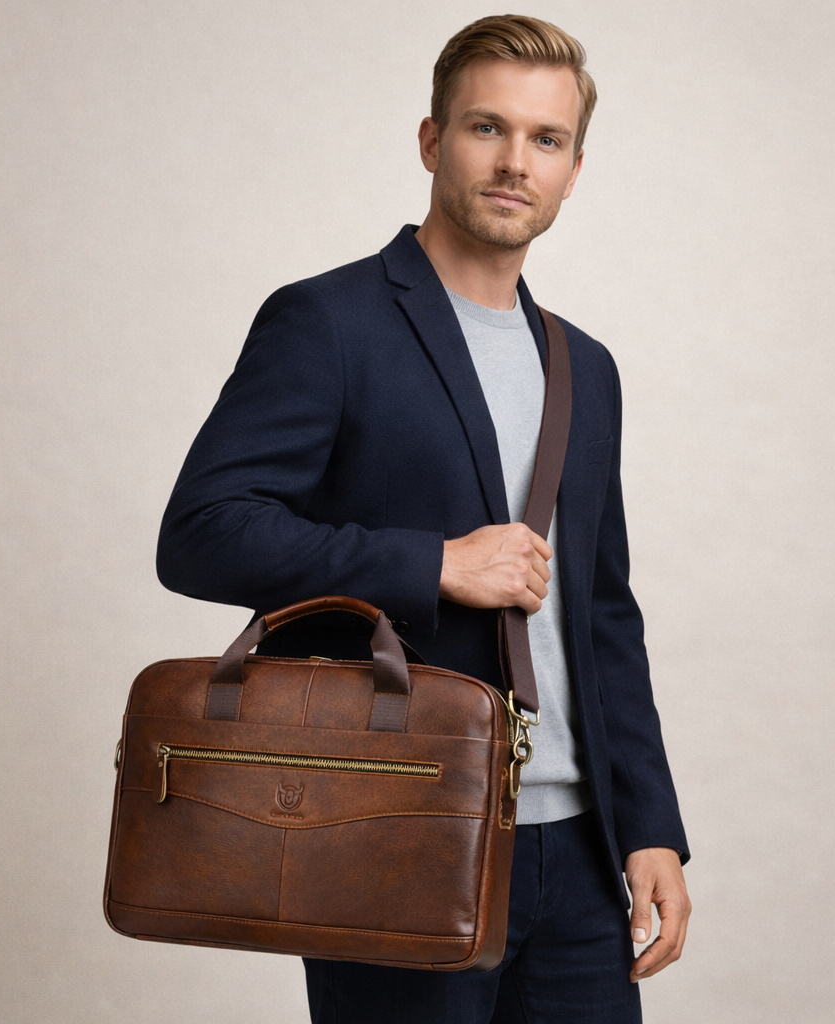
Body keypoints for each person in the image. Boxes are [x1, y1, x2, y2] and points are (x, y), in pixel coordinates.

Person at [157, 14, 690, 1023]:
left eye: (546, 139)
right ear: (431, 140)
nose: (515, 161)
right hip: (393, 832)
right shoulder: (328, 322)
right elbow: (202, 532)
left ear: (574, 171)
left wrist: (648, 824)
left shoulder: (588, 368)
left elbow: (602, 615)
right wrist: (434, 563)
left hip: (581, 858)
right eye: (488, 127)